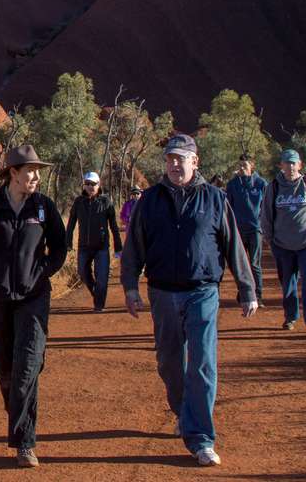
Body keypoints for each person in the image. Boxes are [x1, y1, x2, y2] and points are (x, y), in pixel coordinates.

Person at [120, 134, 257, 467]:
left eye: (181, 158)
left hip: (202, 291)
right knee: (169, 362)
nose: (175, 164)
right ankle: (184, 410)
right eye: (170, 159)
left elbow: (232, 243)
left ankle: (200, 438)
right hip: (162, 291)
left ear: (196, 162)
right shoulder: (150, 200)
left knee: (202, 363)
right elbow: (134, 245)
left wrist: (247, 288)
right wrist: (130, 286)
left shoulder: (214, 198)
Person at [0, 144, 69, 469]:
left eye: (37, 170)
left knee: (26, 367)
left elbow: (60, 247)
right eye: (30, 171)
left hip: (33, 298)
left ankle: (25, 443)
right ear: (13, 173)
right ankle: (18, 414)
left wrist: (42, 273)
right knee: (4, 369)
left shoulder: (43, 207)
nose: (36, 176)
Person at [260, 149, 306, 338]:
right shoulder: (273, 187)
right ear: (281, 165)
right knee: (288, 283)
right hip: (282, 245)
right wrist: (271, 240)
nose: (290, 167)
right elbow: (266, 215)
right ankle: (290, 317)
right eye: (286, 163)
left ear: (299, 165)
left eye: (293, 163)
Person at [66, 171, 123, 311]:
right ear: (84, 185)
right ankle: (96, 294)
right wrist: (67, 242)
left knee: (102, 278)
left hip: (102, 247)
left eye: (94, 184)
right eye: (88, 184)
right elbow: (71, 222)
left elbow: (114, 226)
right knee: (83, 273)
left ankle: (99, 305)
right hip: (84, 246)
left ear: (99, 185)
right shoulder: (79, 202)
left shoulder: (106, 202)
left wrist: (118, 246)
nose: (91, 186)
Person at [224, 155, 268, 305]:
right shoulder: (232, 185)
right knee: (240, 263)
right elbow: (228, 207)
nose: (242, 168)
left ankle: (258, 294)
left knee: (255, 264)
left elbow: (266, 206)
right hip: (238, 230)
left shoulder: (261, 184)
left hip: (255, 229)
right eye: (240, 165)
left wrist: (264, 225)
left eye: (245, 166)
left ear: (252, 167)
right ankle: (243, 292)